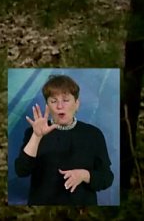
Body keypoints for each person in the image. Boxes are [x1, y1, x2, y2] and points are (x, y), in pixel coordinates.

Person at [13, 74, 114, 205]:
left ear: (77, 104)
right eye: (53, 101)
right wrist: (37, 137)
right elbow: (21, 171)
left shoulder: (93, 134)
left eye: (66, 100)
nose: (60, 106)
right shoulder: (33, 133)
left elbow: (107, 177)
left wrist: (84, 175)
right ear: (47, 106)